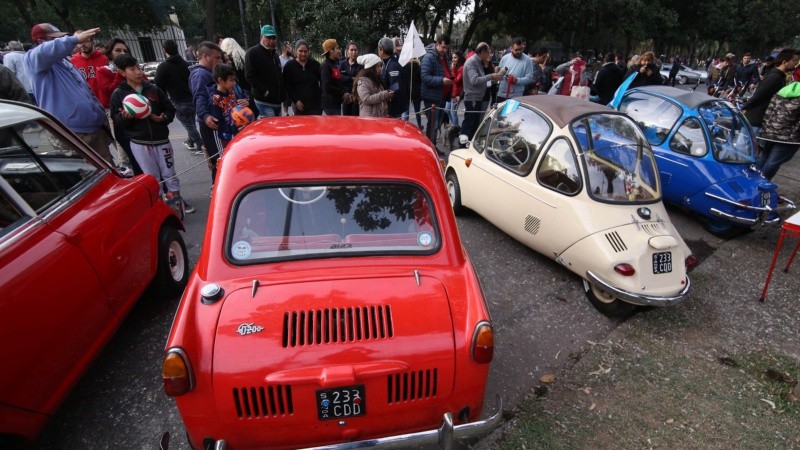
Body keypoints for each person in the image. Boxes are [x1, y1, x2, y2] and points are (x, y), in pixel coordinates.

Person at [109, 53, 194, 214]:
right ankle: (159, 207)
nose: (138, 72)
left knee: (169, 173)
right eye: (132, 69)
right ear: (122, 72)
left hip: (161, 140)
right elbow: (117, 119)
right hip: (140, 142)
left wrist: (163, 118)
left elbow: (169, 109)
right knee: (152, 177)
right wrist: (126, 117)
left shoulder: (153, 89)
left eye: (139, 68)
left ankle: (178, 202)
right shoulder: (119, 94)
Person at [24, 24, 114, 164]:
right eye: (56, 39)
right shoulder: (33, 60)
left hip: (92, 129)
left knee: (109, 172)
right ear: (41, 42)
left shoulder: (65, 62)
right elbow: (44, 52)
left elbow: (85, 90)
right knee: (91, 177)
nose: (63, 40)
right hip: (72, 133)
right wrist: (73, 39)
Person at [155, 39, 204, 154]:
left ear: (164, 51)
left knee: (189, 124)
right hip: (190, 98)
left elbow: (158, 86)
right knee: (190, 122)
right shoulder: (185, 64)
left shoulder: (163, 67)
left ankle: (200, 144)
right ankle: (190, 142)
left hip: (178, 100)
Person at [742, 49, 799, 136]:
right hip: (755, 119)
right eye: (794, 60)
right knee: (744, 147)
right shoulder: (775, 77)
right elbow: (759, 95)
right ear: (784, 62)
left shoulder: (780, 76)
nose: (796, 63)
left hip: (762, 120)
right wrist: (745, 107)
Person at [189, 41, 224, 183]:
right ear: (205, 56)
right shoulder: (200, 75)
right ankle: (217, 187)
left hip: (218, 120)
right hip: (211, 123)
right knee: (220, 159)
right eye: (216, 58)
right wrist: (205, 116)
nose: (219, 60)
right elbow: (199, 97)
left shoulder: (210, 73)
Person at [755, 81, 800, 180]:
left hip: (769, 132)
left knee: (763, 157)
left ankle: (751, 179)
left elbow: (769, 110)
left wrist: (766, 128)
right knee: (773, 162)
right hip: (787, 137)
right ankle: (761, 184)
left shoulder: (784, 90)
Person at [461, 42, 502, 141]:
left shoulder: (478, 62)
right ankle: (463, 145)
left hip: (478, 97)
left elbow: (482, 82)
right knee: (469, 124)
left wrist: (493, 80)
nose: (489, 56)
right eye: (488, 53)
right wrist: (491, 76)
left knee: (474, 124)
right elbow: (474, 80)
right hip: (472, 98)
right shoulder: (472, 62)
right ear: (483, 52)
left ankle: (469, 143)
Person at [421, 34, 453, 152]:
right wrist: (441, 80)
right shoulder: (429, 57)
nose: (445, 50)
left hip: (442, 96)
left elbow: (445, 71)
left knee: (437, 124)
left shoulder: (444, 57)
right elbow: (425, 77)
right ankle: (429, 149)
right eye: (443, 47)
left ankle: (433, 146)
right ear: (437, 44)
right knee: (433, 125)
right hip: (431, 97)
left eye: (447, 48)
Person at [245, 25, 283, 118]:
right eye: (268, 38)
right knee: (271, 129)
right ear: (261, 37)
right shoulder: (252, 53)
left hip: (277, 102)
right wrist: (265, 92)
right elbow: (250, 76)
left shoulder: (275, 55)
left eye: (273, 38)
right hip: (264, 102)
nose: (271, 41)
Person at [209, 63, 248, 150]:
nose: (234, 83)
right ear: (220, 80)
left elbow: (239, 107)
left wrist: (246, 103)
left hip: (238, 133)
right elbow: (219, 124)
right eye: (231, 80)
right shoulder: (216, 99)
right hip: (226, 138)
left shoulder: (231, 92)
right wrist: (234, 128)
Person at [283, 39, 322, 115]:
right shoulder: (289, 66)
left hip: (315, 106)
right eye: (300, 51)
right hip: (299, 106)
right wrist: (295, 100)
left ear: (308, 52)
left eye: (305, 51)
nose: (303, 54)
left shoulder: (315, 65)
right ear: (295, 51)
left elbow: (323, 81)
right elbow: (287, 86)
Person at [70, 32, 109, 101]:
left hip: (105, 102)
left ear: (92, 42)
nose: (83, 44)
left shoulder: (104, 59)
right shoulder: (72, 61)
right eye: (79, 42)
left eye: (86, 41)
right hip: (86, 102)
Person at [353, 54, 392, 118]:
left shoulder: (377, 79)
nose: (380, 69)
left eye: (380, 66)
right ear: (371, 68)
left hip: (378, 117)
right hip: (369, 119)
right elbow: (366, 99)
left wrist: (388, 94)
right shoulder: (362, 82)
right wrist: (384, 94)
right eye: (378, 66)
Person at [496, 37, 533, 102]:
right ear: (511, 48)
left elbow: (529, 78)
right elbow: (498, 75)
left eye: (521, 49)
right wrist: (497, 73)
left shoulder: (527, 60)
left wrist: (517, 80)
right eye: (516, 50)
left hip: (516, 97)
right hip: (501, 94)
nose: (519, 52)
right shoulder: (505, 58)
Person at [378, 37, 405, 118]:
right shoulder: (386, 63)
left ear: (382, 50)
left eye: (379, 49)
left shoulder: (392, 65)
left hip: (393, 109)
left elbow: (395, 88)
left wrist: (390, 110)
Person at [320, 39, 345, 115]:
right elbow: (327, 86)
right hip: (330, 106)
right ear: (331, 50)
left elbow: (338, 82)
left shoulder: (334, 65)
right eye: (337, 48)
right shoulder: (325, 66)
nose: (339, 51)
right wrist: (342, 93)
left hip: (336, 104)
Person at [340, 42, 362, 116]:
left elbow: (359, 80)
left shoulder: (360, 65)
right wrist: (351, 78)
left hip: (356, 98)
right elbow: (339, 77)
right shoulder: (342, 64)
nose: (354, 52)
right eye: (351, 50)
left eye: (355, 50)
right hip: (345, 97)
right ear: (347, 51)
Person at [445, 50, 465, 127]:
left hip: (456, 93)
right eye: (452, 58)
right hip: (451, 92)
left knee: (453, 112)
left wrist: (452, 70)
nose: (453, 59)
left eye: (455, 58)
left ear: (459, 58)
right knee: (447, 110)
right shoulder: (455, 67)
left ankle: (455, 127)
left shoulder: (461, 68)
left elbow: (456, 81)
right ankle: (454, 125)